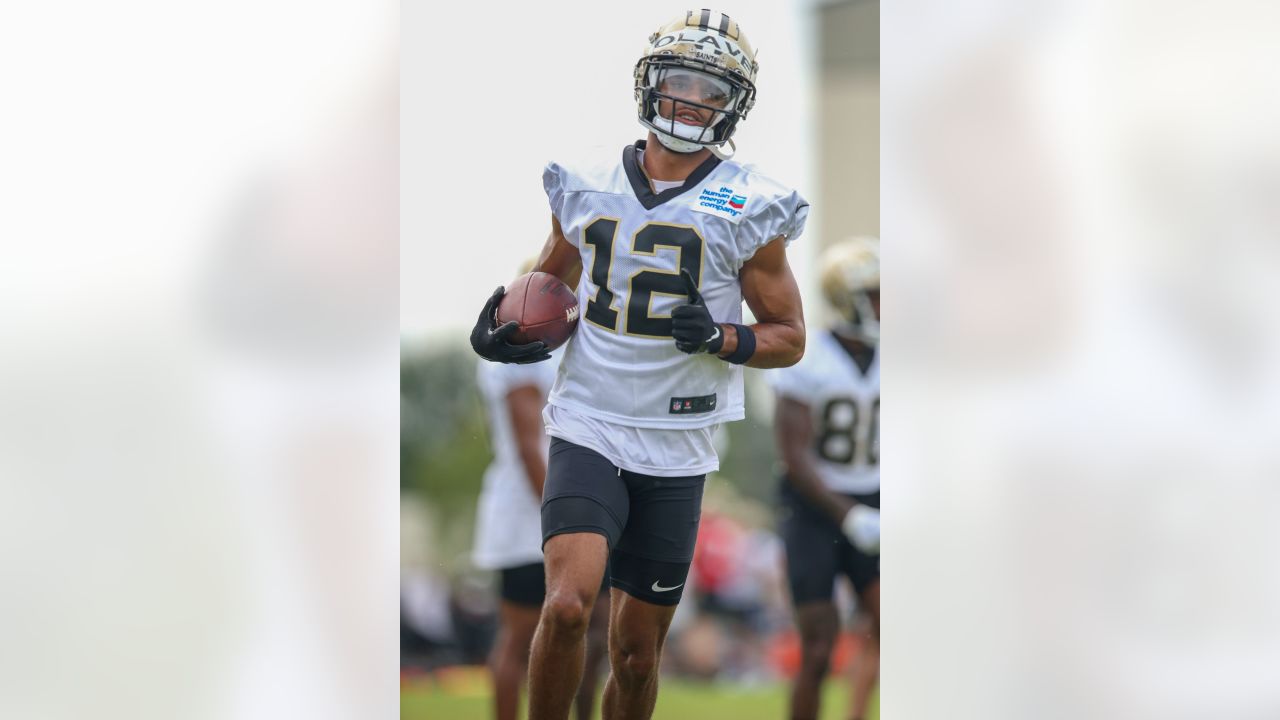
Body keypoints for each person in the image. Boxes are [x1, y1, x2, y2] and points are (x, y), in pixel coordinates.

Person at [469, 10, 809, 720]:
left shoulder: (747, 203)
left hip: (677, 443)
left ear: (733, 104)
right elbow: (551, 290)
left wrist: (723, 338)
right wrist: (508, 328)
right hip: (589, 420)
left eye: (709, 90)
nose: (689, 100)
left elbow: (789, 336)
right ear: (649, 86)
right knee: (564, 606)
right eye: (678, 82)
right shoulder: (585, 182)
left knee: (634, 653)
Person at [471, 265, 609, 720]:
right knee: (521, 636)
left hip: (584, 498)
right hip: (532, 507)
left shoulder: (583, 345)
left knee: (591, 633)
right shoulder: (519, 348)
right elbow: (531, 447)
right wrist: (563, 517)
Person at [769, 237, 881, 720]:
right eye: (875, 294)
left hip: (874, 497)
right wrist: (849, 513)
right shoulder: (810, 355)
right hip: (814, 507)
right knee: (818, 645)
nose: (884, 304)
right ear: (846, 298)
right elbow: (794, 455)